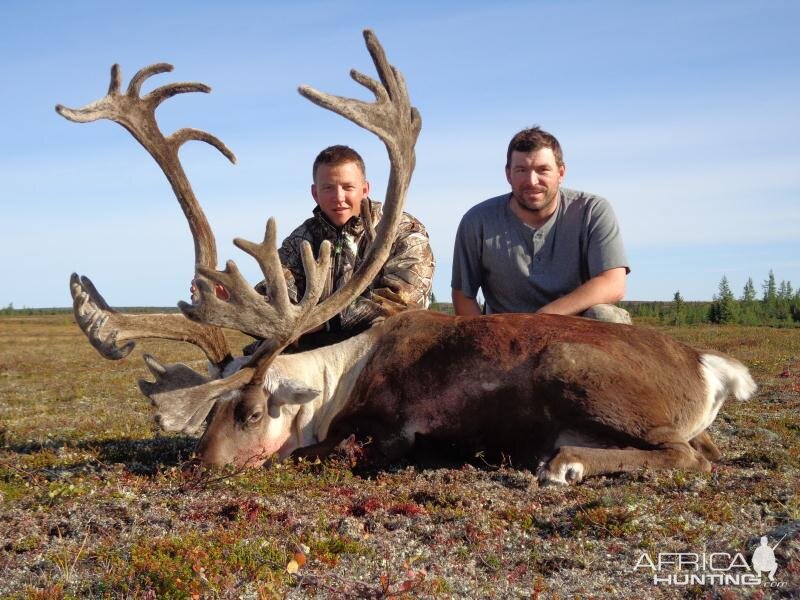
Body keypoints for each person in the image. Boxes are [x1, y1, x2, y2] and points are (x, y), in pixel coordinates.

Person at [235, 144, 433, 349]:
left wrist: (323, 321)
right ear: (315, 193)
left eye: (348, 187)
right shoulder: (301, 240)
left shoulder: (403, 231)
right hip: (317, 353)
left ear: (365, 189)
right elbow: (277, 302)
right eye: (328, 187)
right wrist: (236, 298)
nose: (338, 197)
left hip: (384, 350)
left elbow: (402, 303)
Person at [451, 126, 629, 322]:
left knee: (606, 316)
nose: (532, 181)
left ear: (561, 173)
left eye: (543, 170)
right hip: (504, 335)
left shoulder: (592, 211)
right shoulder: (478, 221)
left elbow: (613, 283)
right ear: (508, 174)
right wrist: (486, 339)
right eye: (521, 170)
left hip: (577, 332)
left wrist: (541, 318)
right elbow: (463, 295)